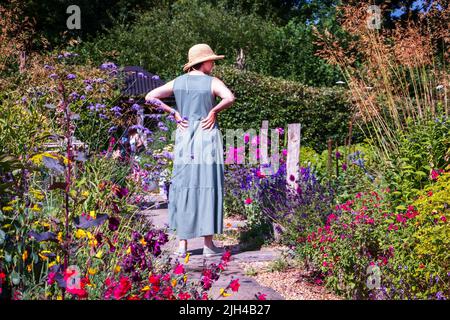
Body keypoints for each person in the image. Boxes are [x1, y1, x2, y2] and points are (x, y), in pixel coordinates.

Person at [145, 44, 235, 257]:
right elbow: (229, 98)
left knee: (184, 185)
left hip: (185, 137)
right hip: (207, 135)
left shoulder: (178, 82)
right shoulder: (212, 82)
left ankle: (182, 245)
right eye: (211, 60)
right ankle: (208, 245)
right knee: (208, 184)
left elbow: (150, 96)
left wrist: (174, 112)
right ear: (202, 62)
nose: (213, 64)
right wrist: (213, 110)